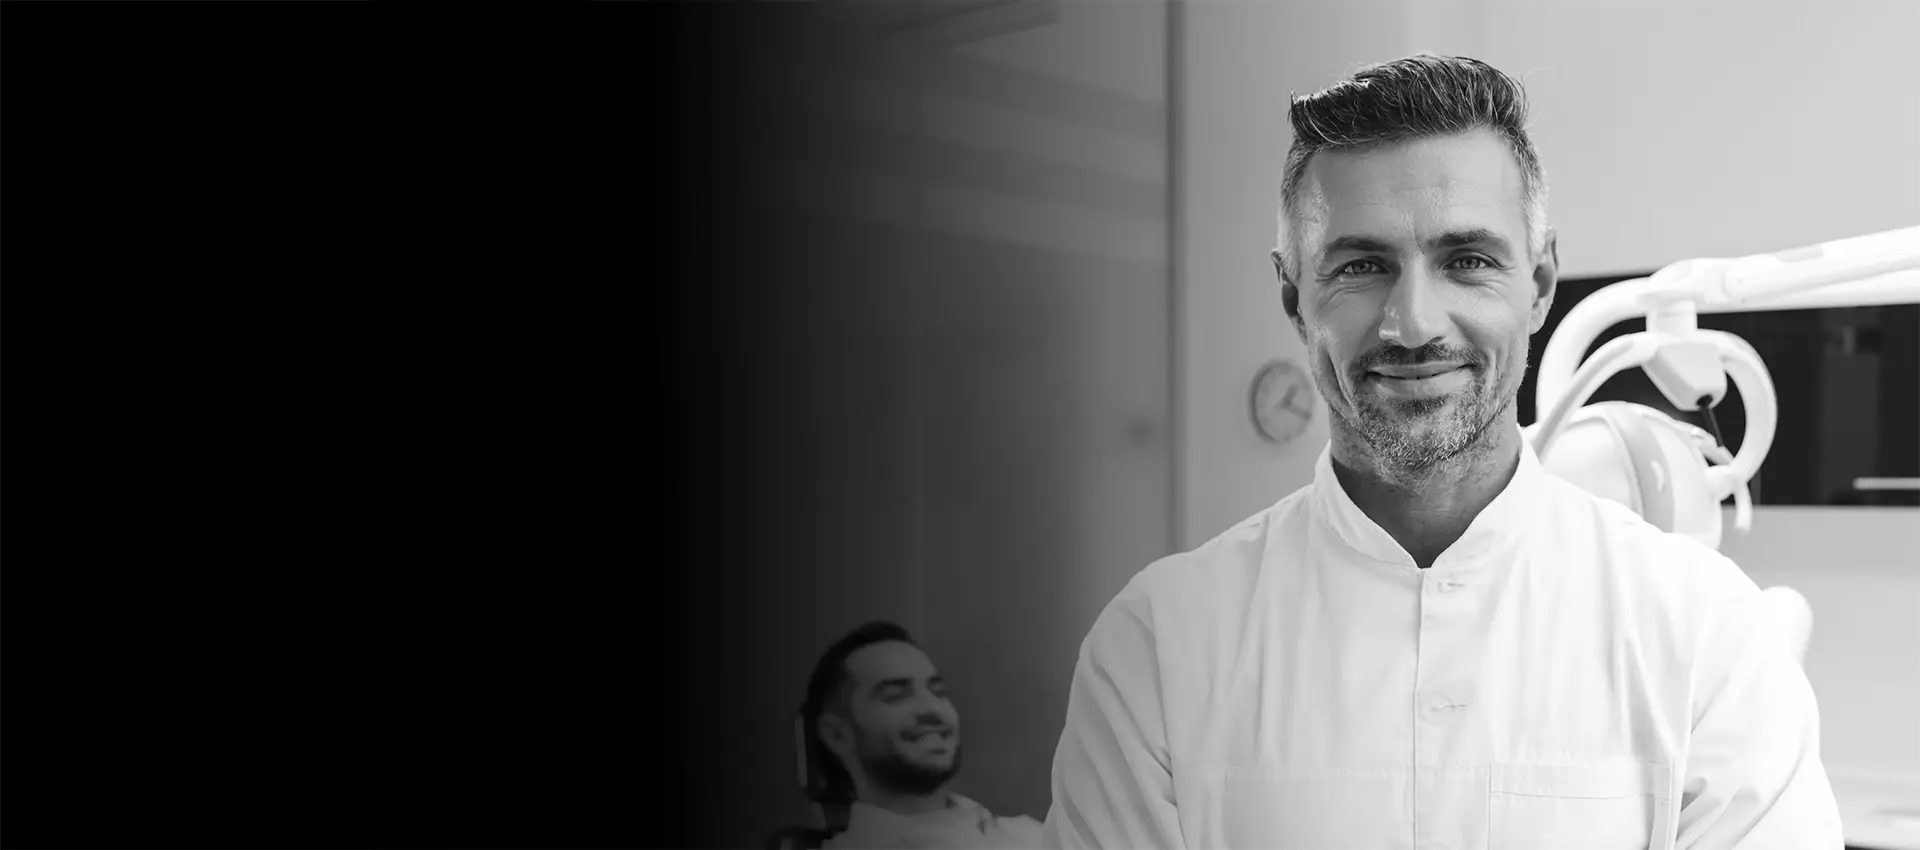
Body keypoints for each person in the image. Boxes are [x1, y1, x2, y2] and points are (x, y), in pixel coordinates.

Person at [1041, 54, 1844, 849]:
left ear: (1540, 284)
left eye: (1467, 262)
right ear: (1294, 297)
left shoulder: (1705, 634)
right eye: (1362, 266)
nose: (1414, 324)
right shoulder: (1159, 647)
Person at [801, 621, 1044, 850]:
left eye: (938, 692)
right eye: (895, 696)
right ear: (837, 735)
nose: (932, 708)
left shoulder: (1033, 836)